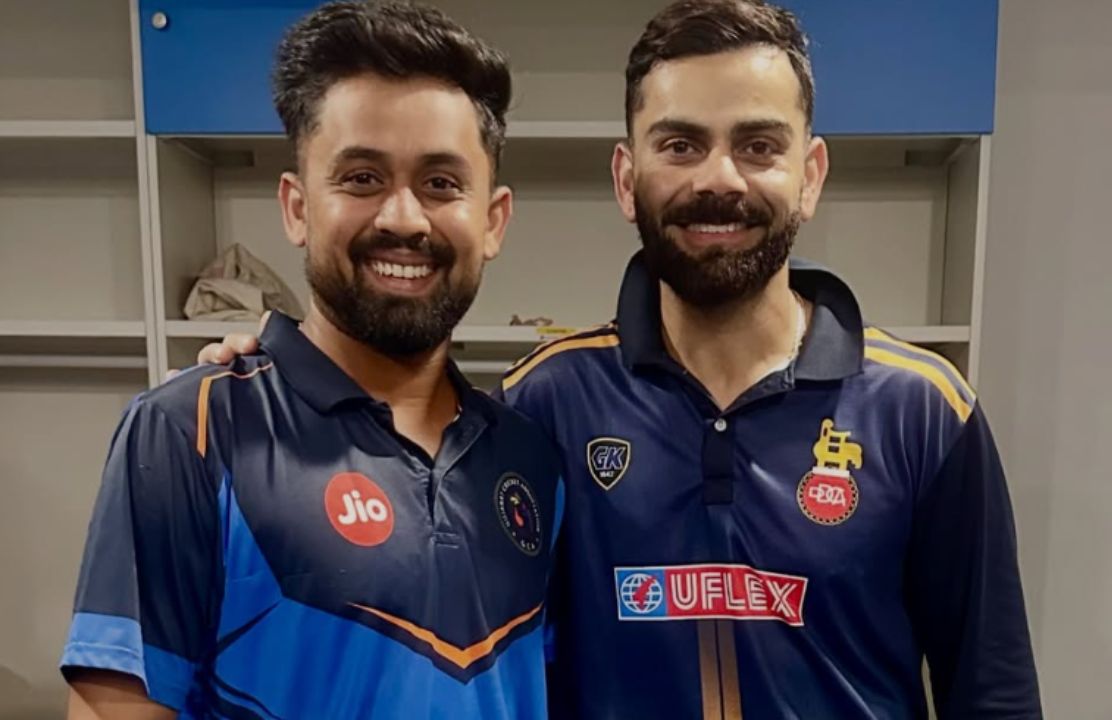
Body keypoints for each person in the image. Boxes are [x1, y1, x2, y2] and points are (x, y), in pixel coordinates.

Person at [196, 1, 1042, 717]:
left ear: (810, 174)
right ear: (627, 178)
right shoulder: (543, 405)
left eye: (758, 145)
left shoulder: (925, 410)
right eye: (680, 145)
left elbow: (994, 693)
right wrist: (277, 377)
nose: (719, 179)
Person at [61, 2, 562, 718]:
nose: (402, 218)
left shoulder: (531, 457)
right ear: (297, 208)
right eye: (361, 178)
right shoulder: (188, 432)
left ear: (492, 220)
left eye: (441, 184)